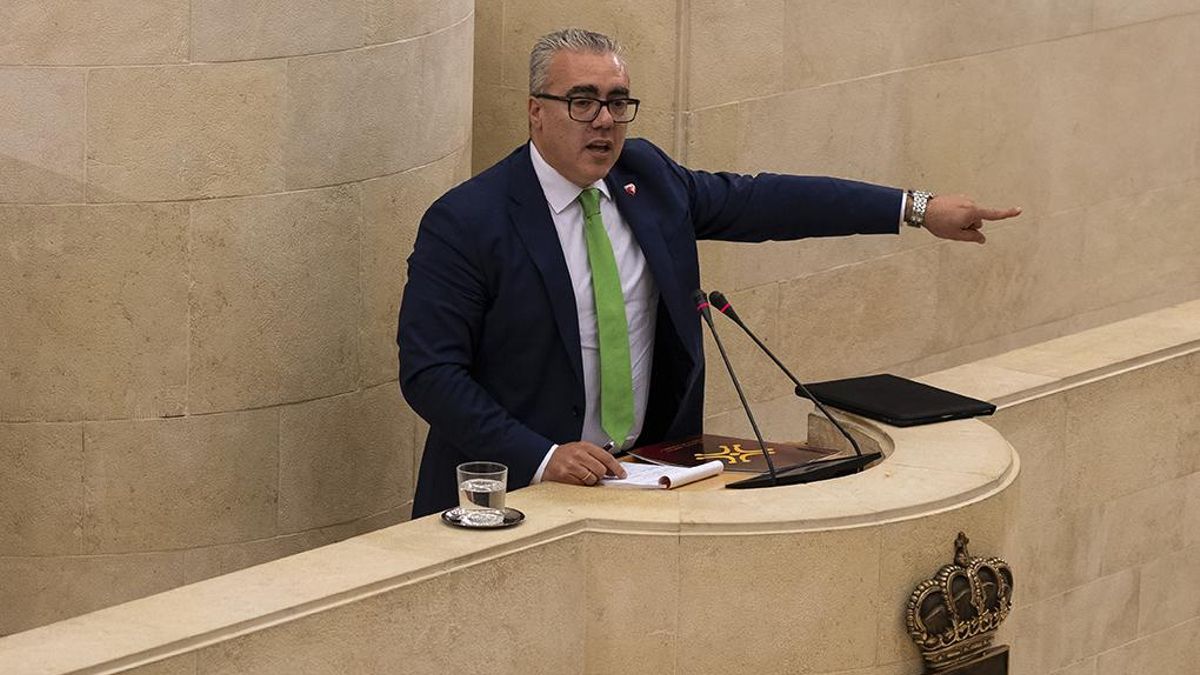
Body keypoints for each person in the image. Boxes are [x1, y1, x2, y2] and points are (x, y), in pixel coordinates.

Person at [398, 28, 1020, 517]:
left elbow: (767, 200)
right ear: (537, 112)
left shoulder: (649, 181)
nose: (605, 120)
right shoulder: (468, 222)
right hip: (513, 497)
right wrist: (542, 456)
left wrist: (915, 208)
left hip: (646, 479)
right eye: (582, 102)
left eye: (617, 102)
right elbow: (430, 375)